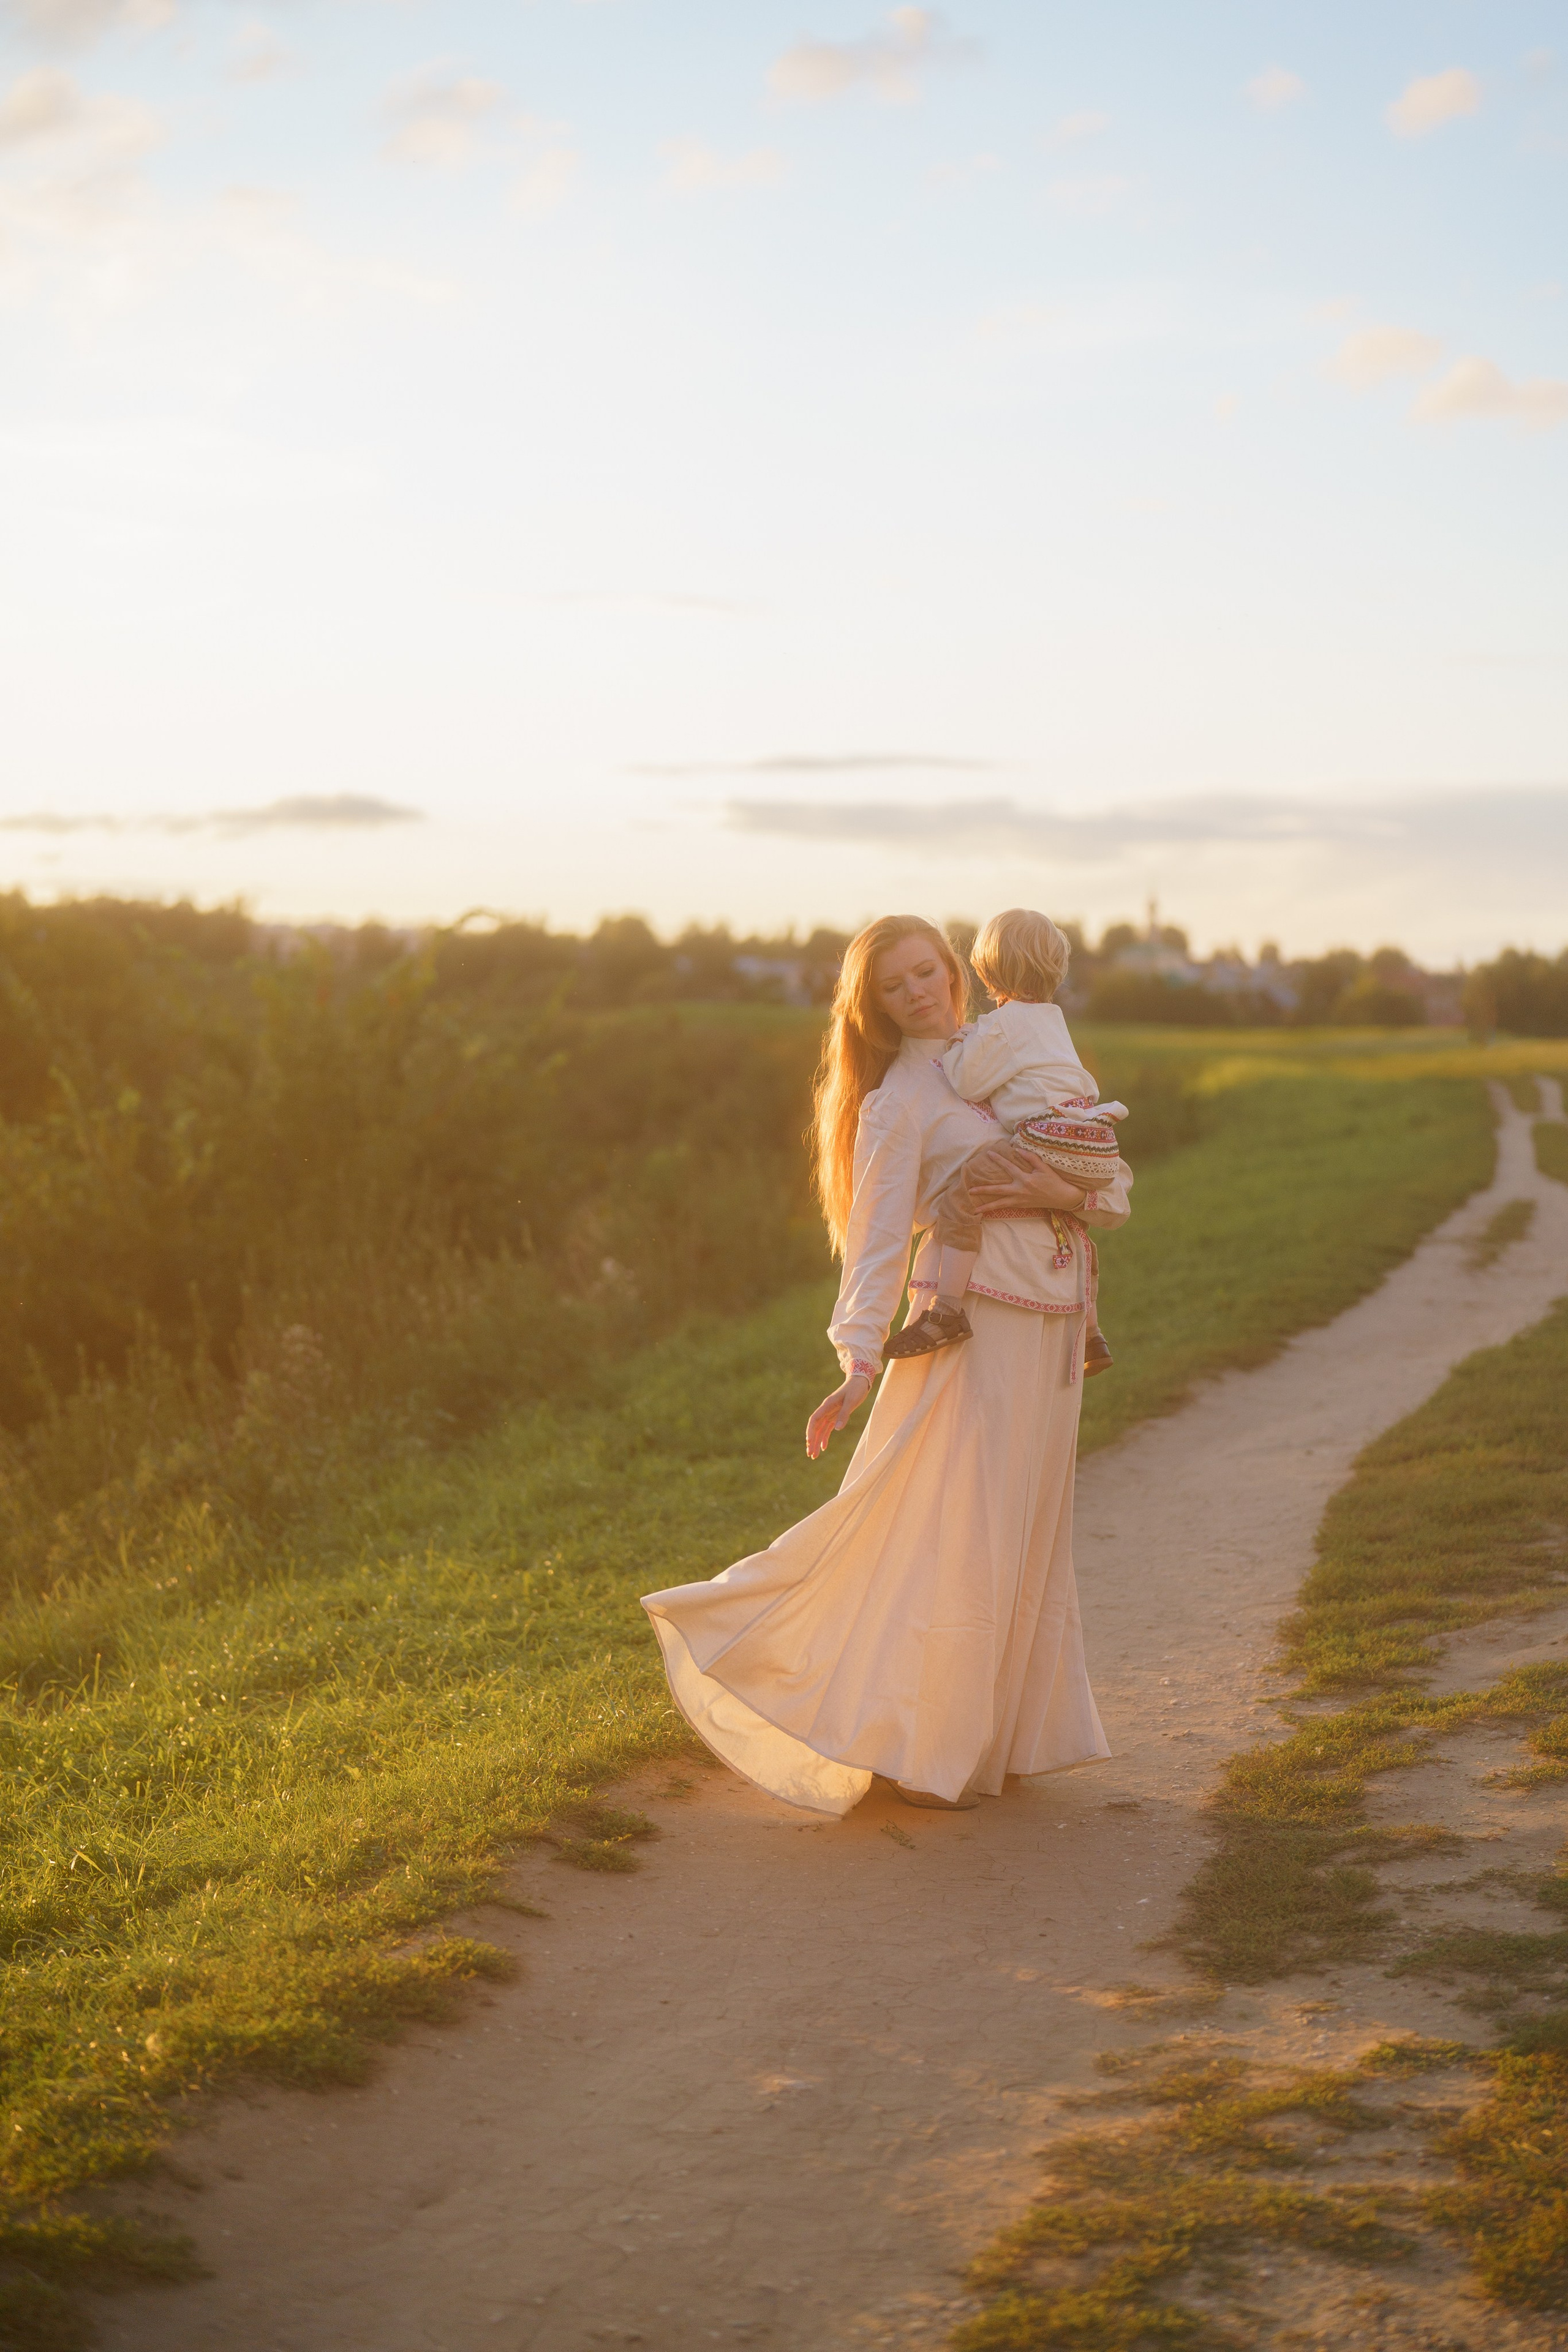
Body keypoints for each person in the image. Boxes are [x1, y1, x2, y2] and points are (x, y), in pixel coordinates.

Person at [641, 913, 1132, 1817]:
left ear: (955, 969)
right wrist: (856, 1363)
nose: (919, 992)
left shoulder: (1014, 1054)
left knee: (1027, 1531)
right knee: (962, 1534)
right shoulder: (898, 1101)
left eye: (926, 972)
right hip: (969, 1332)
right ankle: (924, 1748)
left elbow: (1112, 1190)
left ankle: (1003, 1740)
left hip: (1054, 1328)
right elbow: (871, 1247)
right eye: (895, 985)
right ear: (874, 1007)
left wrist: (1053, 1187)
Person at [884, 906, 1125, 1373]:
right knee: (1079, 1231)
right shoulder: (1054, 1021)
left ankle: (947, 1310)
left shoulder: (1003, 1025)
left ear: (986, 971)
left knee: (962, 1200)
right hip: (1091, 1139)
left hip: (1043, 1140)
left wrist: (958, 1048)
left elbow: (971, 1083)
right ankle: (1092, 1333)